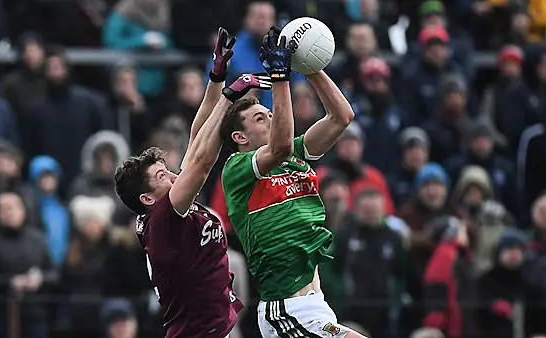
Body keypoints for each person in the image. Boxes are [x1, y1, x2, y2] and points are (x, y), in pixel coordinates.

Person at [113, 28, 272, 338]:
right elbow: (200, 162)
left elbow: (197, 138)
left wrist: (216, 77)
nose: (174, 176)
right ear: (147, 198)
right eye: (162, 176)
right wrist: (229, 98)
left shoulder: (172, 209)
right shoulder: (162, 219)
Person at [220, 27, 365, 338]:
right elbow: (280, 146)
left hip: (317, 305)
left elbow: (342, 116)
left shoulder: (295, 152)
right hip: (284, 307)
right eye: (261, 118)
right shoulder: (237, 168)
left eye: (270, 114)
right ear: (239, 138)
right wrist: (280, 78)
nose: (271, 119)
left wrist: (310, 66)